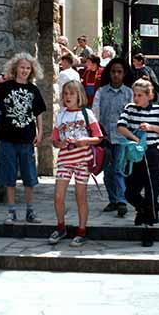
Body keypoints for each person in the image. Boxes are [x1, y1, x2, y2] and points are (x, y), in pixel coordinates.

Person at [0, 52, 46, 224]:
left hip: (27, 138)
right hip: (7, 137)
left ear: (32, 71)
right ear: (15, 68)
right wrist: (0, 79)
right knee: (9, 176)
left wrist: (40, 132)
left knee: (29, 176)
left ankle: (30, 211)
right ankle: (11, 211)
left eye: (28, 68)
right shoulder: (6, 87)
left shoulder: (33, 90)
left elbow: (38, 113)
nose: (24, 70)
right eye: (22, 67)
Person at [117, 78, 159, 247]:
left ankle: (148, 228)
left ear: (149, 95)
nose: (136, 98)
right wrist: (135, 139)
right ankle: (141, 209)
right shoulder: (130, 109)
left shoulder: (158, 110)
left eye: (140, 95)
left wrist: (151, 127)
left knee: (151, 191)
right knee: (130, 191)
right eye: (135, 94)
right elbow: (120, 126)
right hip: (135, 154)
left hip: (151, 153)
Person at [49, 80, 103, 247]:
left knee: (80, 196)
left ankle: (81, 230)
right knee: (58, 196)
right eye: (65, 93)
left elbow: (98, 138)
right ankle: (61, 227)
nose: (68, 97)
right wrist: (60, 144)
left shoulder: (87, 114)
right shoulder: (61, 115)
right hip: (65, 160)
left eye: (71, 93)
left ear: (79, 95)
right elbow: (54, 140)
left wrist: (83, 141)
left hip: (82, 162)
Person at [92, 63, 133, 217]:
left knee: (118, 169)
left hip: (122, 139)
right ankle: (113, 200)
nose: (116, 74)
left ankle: (122, 200)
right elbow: (95, 114)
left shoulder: (129, 93)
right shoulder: (101, 92)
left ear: (124, 74)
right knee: (108, 172)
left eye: (119, 72)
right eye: (113, 72)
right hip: (106, 138)